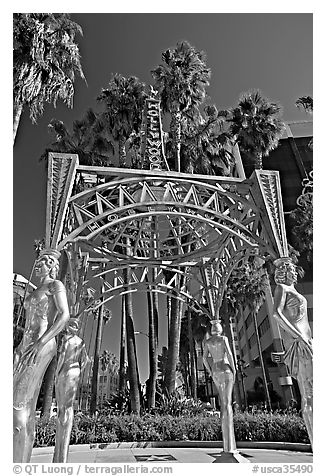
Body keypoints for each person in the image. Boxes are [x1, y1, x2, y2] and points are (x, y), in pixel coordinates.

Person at [13, 249, 70, 463]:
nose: (37, 265)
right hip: (24, 346)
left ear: (52, 266)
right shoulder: (34, 290)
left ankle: (18, 464)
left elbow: (64, 316)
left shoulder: (55, 286)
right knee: (19, 403)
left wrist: (41, 342)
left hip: (40, 344)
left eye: (42, 262)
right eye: (37, 262)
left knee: (19, 403)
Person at [273, 257, 313, 448]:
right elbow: (276, 314)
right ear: (283, 272)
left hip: (308, 343)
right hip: (301, 344)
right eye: (291, 270)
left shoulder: (293, 290)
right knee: (310, 394)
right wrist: (298, 336)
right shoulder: (282, 289)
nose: (295, 272)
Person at [53, 317, 89, 463]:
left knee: (62, 408)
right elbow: (86, 360)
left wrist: (56, 374)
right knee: (69, 408)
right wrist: (80, 370)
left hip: (65, 372)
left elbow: (61, 357)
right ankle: (62, 453)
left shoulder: (65, 340)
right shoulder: (81, 341)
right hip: (75, 372)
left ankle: (60, 455)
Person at [202, 320, 237, 453]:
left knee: (222, 404)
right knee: (228, 404)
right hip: (225, 368)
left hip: (215, 370)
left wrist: (210, 371)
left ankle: (226, 444)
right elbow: (229, 354)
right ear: (220, 328)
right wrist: (234, 369)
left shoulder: (208, 342)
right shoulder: (223, 338)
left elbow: (204, 359)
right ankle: (230, 445)